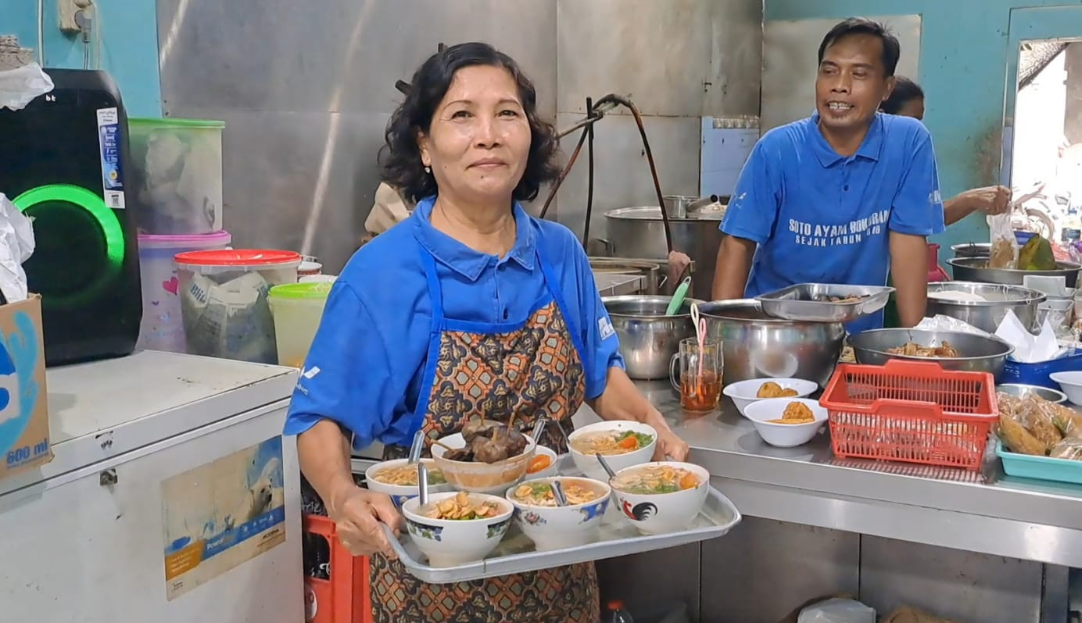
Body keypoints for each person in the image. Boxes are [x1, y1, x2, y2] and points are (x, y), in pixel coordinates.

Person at [284, 42, 689, 623]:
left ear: (529, 135)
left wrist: (653, 430)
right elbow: (319, 415)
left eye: (506, 113)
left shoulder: (559, 254)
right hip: (433, 575)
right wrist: (342, 494)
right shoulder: (383, 273)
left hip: (558, 560)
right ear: (424, 145)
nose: (489, 135)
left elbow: (602, 378)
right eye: (461, 115)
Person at [713, 18, 944, 331]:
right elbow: (738, 245)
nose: (840, 85)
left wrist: (915, 342)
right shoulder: (778, 149)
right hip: (774, 334)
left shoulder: (908, 143)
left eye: (859, 74)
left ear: (886, 88)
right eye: (829, 70)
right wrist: (722, 338)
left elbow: (908, 243)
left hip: (856, 337)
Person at [881, 76, 1012, 226]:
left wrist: (971, 199)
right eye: (913, 122)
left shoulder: (907, 161)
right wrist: (969, 199)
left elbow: (920, 216)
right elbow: (913, 221)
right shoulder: (869, 167)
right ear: (883, 117)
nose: (919, 131)